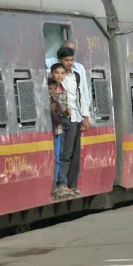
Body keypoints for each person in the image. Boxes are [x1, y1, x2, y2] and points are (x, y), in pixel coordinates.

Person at [55, 46, 90, 197]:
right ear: (60, 61)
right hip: (62, 119)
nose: (69, 63)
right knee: (63, 153)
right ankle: (61, 182)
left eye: (71, 60)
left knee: (73, 153)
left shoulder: (76, 75)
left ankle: (71, 183)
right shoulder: (57, 77)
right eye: (66, 60)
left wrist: (85, 117)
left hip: (75, 117)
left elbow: (81, 96)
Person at [48, 75, 67, 197]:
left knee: (56, 158)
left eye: (55, 88)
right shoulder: (46, 103)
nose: (52, 91)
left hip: (56, 134)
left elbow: (58, 120)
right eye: (50, 88)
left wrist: (53, 111)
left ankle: (54, 183)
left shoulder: (56, 103)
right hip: (47, 134)